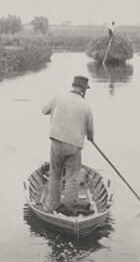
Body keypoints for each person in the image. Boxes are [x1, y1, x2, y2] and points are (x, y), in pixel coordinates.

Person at [41, 76, 94, 213]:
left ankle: (53, 205)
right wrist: (91, 137)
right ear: (84, 90)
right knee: (72, 177)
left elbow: (44, 110)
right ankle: (69, 207)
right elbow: (90, 131)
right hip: (73, 146)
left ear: (73, 86)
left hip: (56, 142)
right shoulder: (86, 106)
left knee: (55, 175)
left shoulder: (58, 97)